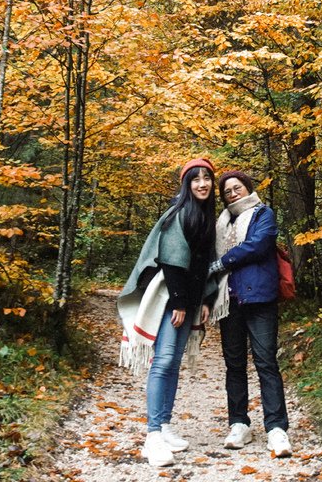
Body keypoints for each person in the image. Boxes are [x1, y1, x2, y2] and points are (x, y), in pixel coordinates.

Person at [116, 158, 218, 468]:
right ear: (186, 184)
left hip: (190, 297)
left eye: (207, 179)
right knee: (162, 361)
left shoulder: (205, 215)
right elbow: (173, 261)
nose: (202, 184)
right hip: (170, 298)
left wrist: (204, 301)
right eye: (196, 179)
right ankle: (152, 436)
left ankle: (165, 425)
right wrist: (179, 303)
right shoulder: (180, 213)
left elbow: (203, 265)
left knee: (172, 363)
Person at [209, 170, 292, 458]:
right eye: (227, 191)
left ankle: (276, 428)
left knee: (266, 361)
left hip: (260, 298)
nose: (232, 193)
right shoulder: (222, 222)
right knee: (234, 365)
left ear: (248, 188)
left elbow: (259, 245)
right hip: (228, 302)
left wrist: (223, 262)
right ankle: (238, 423)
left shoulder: (262, 214)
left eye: (237, 188)